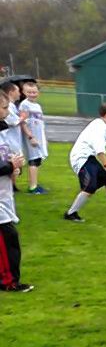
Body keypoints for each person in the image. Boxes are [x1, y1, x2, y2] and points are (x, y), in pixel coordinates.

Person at [0, 89, 32, 292]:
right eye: (4, 107)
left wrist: (13, 166)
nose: (6, 112)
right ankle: (8, 281)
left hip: (3, 195)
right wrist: (10, 166)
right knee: (8, 239)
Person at [19, 82, 48, 194]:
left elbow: (40, 124)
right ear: (24, 92)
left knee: (37, 160)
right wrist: (30, 137)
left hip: (38, 137)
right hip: (31, 138)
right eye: (29, 92)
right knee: (34, 160)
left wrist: (43, 139)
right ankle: (33, 187)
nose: (32, 94)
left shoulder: (37, 106)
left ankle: (35, 184)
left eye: (34, 92)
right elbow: (23, 123)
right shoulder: (24, 105)